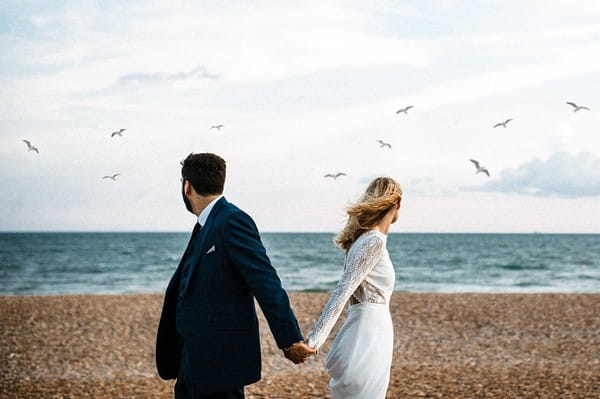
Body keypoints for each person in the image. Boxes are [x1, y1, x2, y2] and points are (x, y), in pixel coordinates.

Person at [156, 153, 315, 399]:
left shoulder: (232, 220)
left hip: (220, 361)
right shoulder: (206, 224)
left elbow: (265, 280)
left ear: (187, 186)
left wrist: (290, 339)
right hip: (191, 359)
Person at [307, 177, 402, 399]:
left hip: (367, 327)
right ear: (397, 204)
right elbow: (343, 290)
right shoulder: (373, 241)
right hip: (369, 332)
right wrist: (314, 340)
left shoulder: (361, 240)